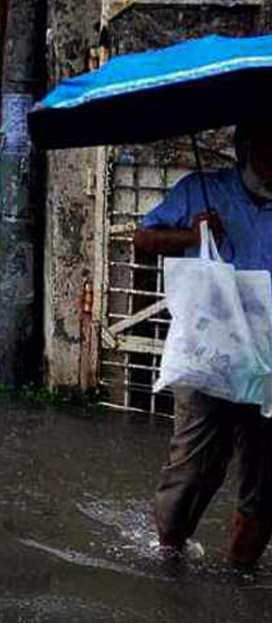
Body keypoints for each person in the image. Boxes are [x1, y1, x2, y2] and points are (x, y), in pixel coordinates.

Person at [133, 121, 272, 569]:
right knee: (193, 470)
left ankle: (239, 578)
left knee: (265, 483)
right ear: (246, 149)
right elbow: (145, 237)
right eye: (267, 157)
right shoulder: (202, 191)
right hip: (211, 356)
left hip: (269, 361)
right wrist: (193, 236)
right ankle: (170, 558)